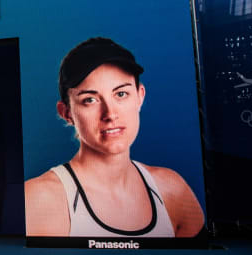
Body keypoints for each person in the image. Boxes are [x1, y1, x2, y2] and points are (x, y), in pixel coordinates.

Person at [24, 37, 205, 238]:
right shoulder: (39, 199)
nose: (110, 114)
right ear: (66, 113)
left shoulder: (171, 189)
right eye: (89, 100)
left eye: (121, 94)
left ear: (140, 96)